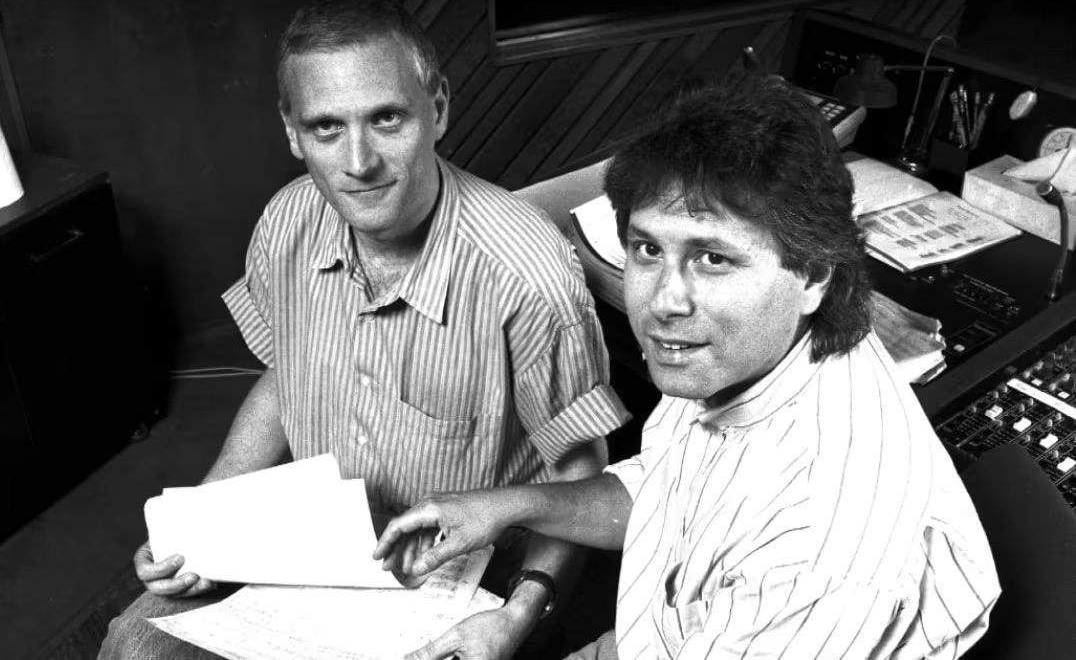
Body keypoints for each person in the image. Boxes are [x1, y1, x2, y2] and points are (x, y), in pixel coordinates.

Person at [374, 75, 1002, 660]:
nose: (664, 302)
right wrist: (507, 507)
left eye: (713, 259)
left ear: (812, 275)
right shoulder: (747, 348)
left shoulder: (817, 552)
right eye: (649, 249)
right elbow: (676, 486)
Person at [98, 0, 630, 659]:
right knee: (136, 642)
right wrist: (207, 518)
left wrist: (523, 610)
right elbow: (281, 378)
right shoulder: (285, 224)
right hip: (313, 539)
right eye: (326, 127)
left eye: (386, 118)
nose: (358, 161)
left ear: (436, 110)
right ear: (292, 132)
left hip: (464, 568)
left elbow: (578, 466)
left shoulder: (529, 274)